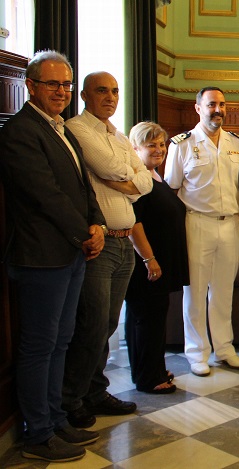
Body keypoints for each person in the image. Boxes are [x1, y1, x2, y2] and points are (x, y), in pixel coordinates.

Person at [0, 50, 105, 462]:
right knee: (40, 345)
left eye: (66, 84)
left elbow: (83, 189)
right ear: (31, 86)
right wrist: (85, 232)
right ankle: (37, 433)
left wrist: (95, 223)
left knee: (62, 340)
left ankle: (57, 419)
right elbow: (45, 195)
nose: (61, 91)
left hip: (73, 251)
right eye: (52, 84)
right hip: (42, 257)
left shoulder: (62, 129)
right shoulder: (21, 132)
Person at [62, 71, 152, 427]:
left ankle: (95, 391)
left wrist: (128, 177)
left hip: (124, 241)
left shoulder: (116, 132)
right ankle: (72, 399)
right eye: (102, 91)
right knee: (91, 324)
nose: (111, 97)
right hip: (98, 246)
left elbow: (143, 179)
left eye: (115, 91)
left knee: (109, 324)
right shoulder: (78, 128)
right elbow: (111, 167)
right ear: (84, 94)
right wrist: (128, 174)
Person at [165, 87, 239, 376]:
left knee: (224, 290)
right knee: (196, 291)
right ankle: (197, 352)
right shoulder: (182, 144)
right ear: (198, 107)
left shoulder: (237, 143)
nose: (218, 110)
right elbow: (171, 189)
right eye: (212, 104)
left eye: (222, 104)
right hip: (196, 221)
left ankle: (224, 348)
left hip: (230, 224)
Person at [124, 122, 189, 393]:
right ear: (135, 148)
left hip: (159, 260)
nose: (159, 150)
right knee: (146, 319)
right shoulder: (137, 179)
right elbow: (134, 222)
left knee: (152, 317)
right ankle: (149, 378)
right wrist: (149, 259)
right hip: (147, 264)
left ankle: (151, 369)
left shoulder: (155, 176)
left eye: (162, 144)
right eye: (151, 145)